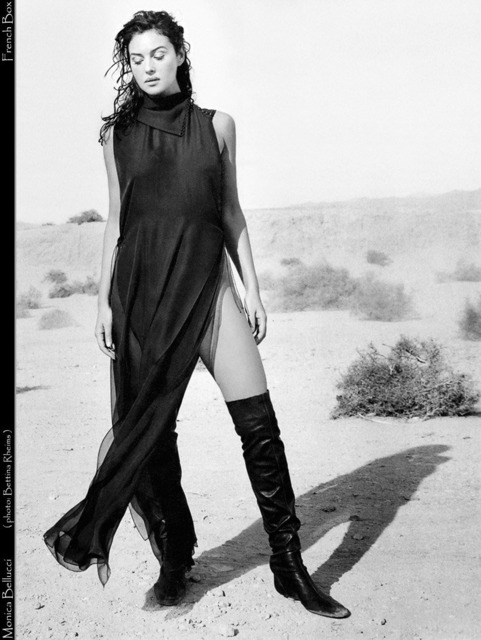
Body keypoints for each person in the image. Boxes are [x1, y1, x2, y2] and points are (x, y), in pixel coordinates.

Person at [43, 10, 350, 619]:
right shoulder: (116, 136)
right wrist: (101, 301)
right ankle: (176, 560)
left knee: (259, 426)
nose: (147, 67)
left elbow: (230, 212)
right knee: (153, 434)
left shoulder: (218, 126)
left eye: (157, 54)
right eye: (136, 59)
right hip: (140, 295)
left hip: (208, 288)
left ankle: (289, 566)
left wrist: (252, 289)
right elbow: (116, 221)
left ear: (180, 54)